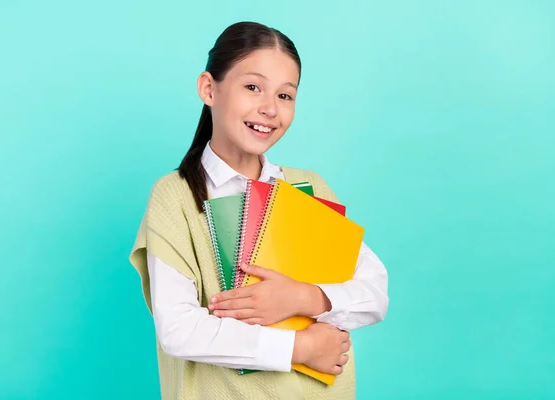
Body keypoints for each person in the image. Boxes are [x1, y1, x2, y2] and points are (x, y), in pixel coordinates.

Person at [129, 21, 389, 400]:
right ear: (209, 88)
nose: (269, 108)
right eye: (253, 87)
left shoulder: (310, 188)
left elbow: (374, 292)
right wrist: (300, 349)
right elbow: (180, 329)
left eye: (286, 96)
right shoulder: (176, 197)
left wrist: (303, 298)